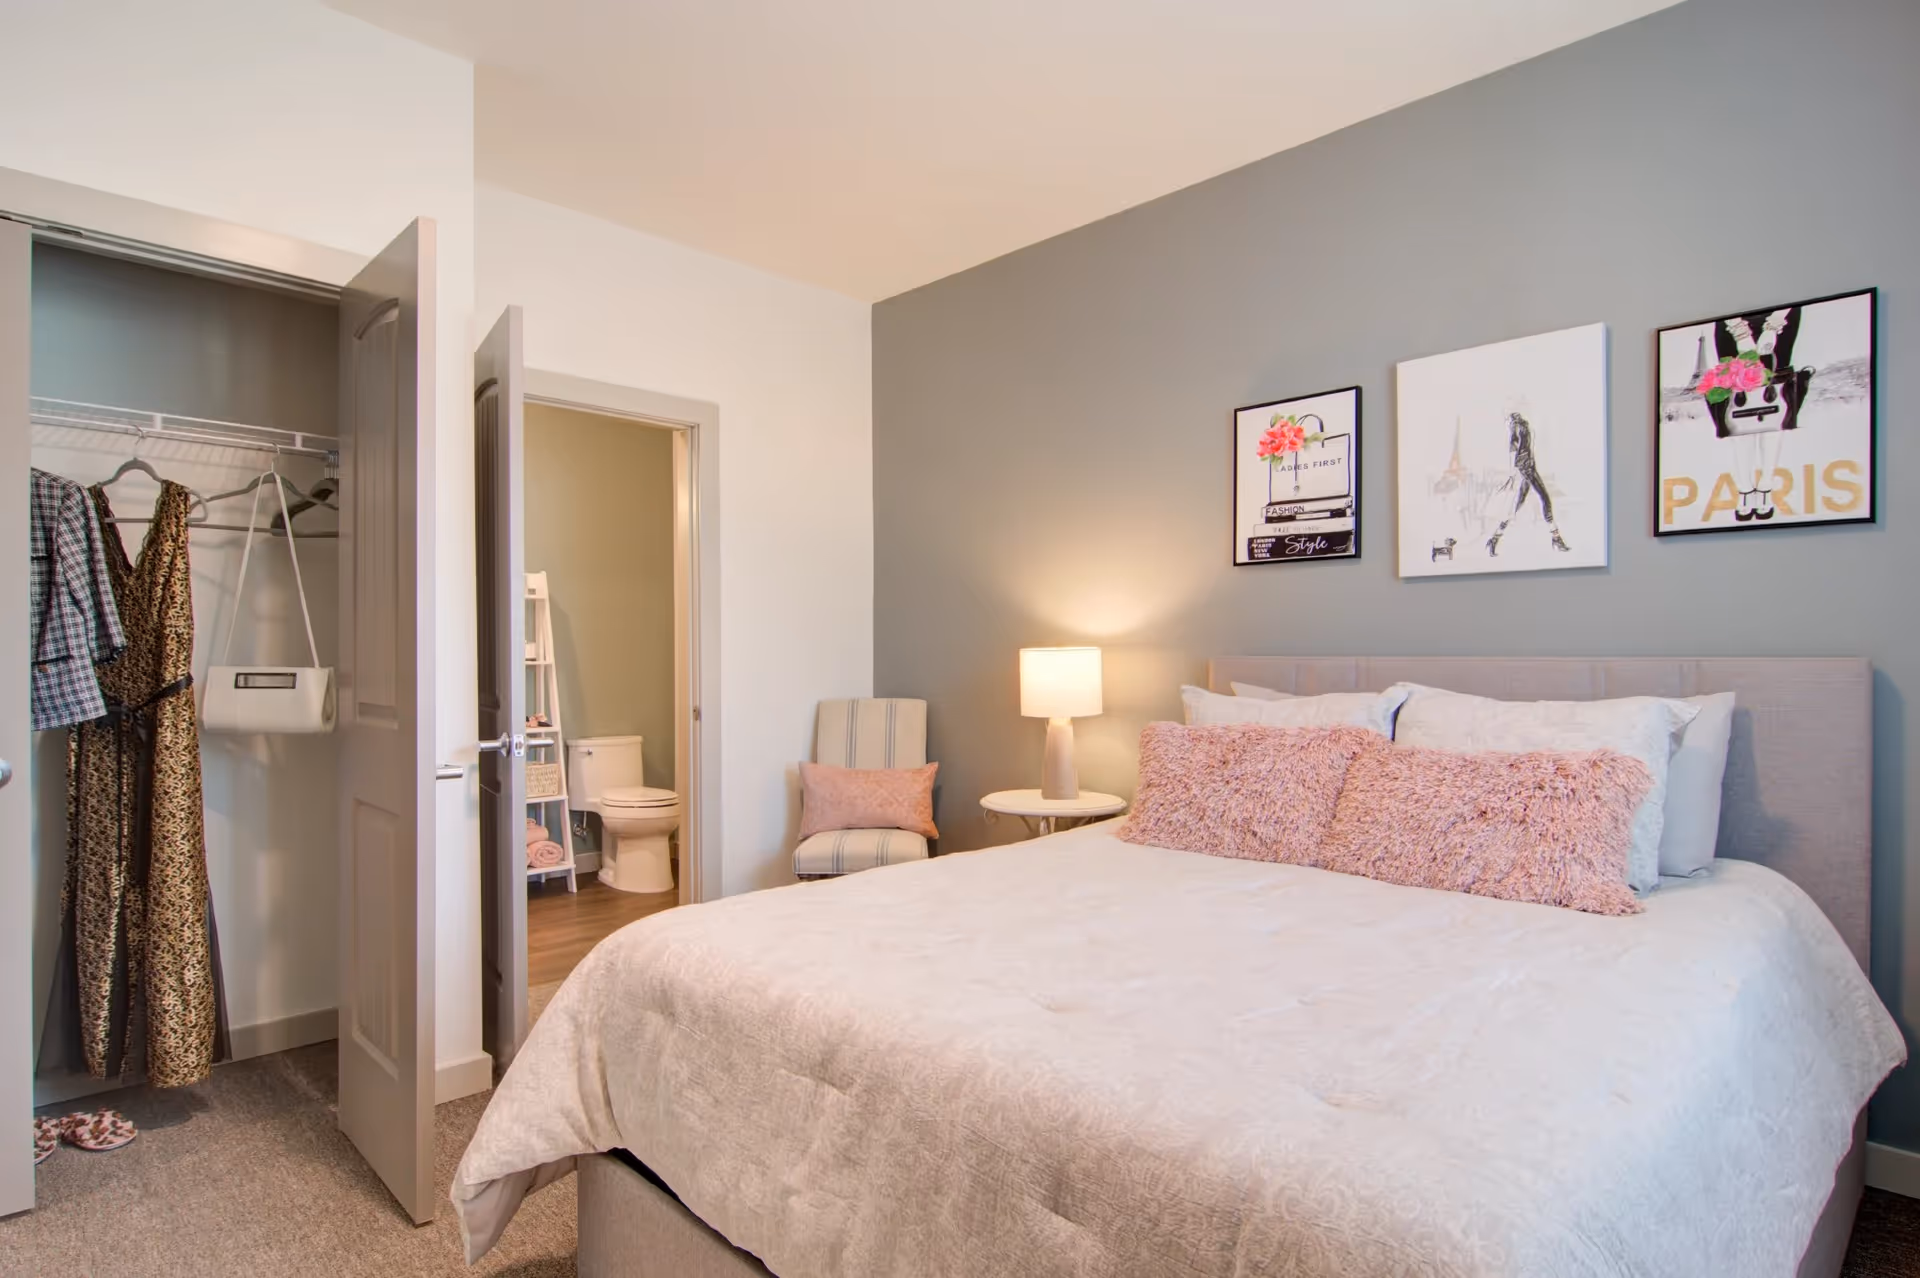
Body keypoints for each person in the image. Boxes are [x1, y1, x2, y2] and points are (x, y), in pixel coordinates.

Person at [1486, 410, 1570, 557]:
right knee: (1545, 499)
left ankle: (1494, 538)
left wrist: (1513, 471)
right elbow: (1516, 448)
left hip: (1526, 466)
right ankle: (1556, 538)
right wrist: (1513, 471)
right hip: (1527, 467)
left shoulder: (1518, 427)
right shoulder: (1521, 427)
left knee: (1517, 506)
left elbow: (1515, 448)